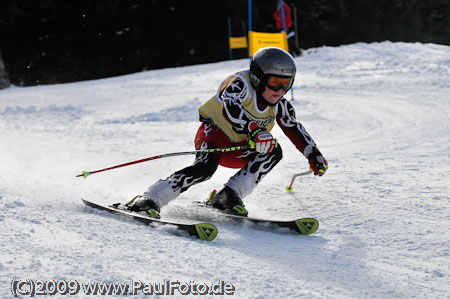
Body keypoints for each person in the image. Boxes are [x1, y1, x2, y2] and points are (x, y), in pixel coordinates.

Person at [129, 47, 327, 218]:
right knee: (205, 169)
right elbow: (230, 107)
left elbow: (294, 128)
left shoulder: (280, 105)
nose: (280, 90)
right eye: (275, 82)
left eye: (287, 84)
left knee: (274, 151)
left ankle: (229, 195)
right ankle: (150, 198)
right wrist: (254, 129)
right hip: (214, 135)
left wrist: (313, 154)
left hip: (240, 148)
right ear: (259, 78)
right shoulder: (239, 83)